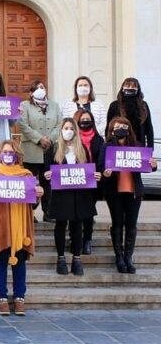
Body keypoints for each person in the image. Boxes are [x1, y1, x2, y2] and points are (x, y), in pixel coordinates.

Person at [0, 140, 43, 316]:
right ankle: (1, 297)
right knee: (0, 262)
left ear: (17, 155)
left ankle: (19, 297)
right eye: (4, 152)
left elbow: (33, 204)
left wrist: (38, 196)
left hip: (20, 227)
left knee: (20, 263)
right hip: (0, 225)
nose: (7, 155)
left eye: (11, 152)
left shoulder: (26, 175)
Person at [99, 117, 158, 274]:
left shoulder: (137, 146)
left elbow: (148, 167)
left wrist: (154, 165)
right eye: (117, 127)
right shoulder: (107, 147)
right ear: (112, 130)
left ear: (129, 129)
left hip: (133, 192)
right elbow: (100, 167)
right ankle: (119, 257)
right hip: (115, 192)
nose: (121, 129)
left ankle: (128, 257)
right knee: (117, 223)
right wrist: (105, 172)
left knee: (131, 225)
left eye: (124, 126)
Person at [44, 118, 102, 276]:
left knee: (77, 227)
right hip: (61, 195)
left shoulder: (82, 148)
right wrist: (47, 174)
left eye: (71, 128)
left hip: (80, 194)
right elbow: (45, 171)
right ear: (61, 130)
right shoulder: (53, 148)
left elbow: (90, 169)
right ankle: (61, 258)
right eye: (65, 128)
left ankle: (77, 258)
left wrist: (96, 175)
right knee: (61, 226)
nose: (68, 131)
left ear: (75, 131)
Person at [19, 80, 61, 221]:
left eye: (42, 87)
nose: (40, 89)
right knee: (30, 182)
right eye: (37, 88)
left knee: (47, 181)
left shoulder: (54, 106)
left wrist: (50, 138)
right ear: (31, 93)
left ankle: (48, 212)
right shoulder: (25, 106)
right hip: (31, 149)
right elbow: (23, 125)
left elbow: (60, 123)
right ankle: (29, 213)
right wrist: (39, 138)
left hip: (49, 149)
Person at [75, 109, 105, 255]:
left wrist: (100, 173)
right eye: (82, 119)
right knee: (75, 212)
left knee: (88, 213)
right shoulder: (72, 139)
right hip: (75, 181)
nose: (85, 122)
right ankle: (75, 239)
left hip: (92, 182)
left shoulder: (99, 140)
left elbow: (102, 159)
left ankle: (87, 240)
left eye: (88, 119)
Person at [106, 77, 154, 148]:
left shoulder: (143, 105)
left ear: (138, 90)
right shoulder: (114, 105)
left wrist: (150, 147)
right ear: (122, 88)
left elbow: (149, 128)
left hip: (139, 144)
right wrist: (108, 143)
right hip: (118, 144)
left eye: (134, 86)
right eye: (128, 86)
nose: (130, 88)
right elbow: (109, 127)